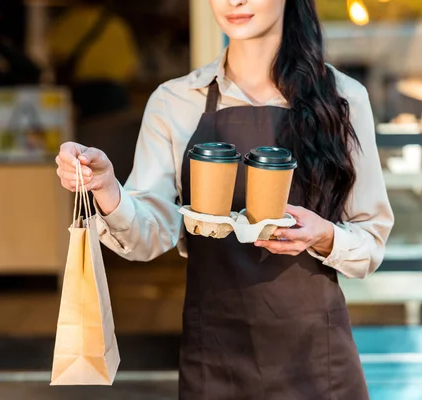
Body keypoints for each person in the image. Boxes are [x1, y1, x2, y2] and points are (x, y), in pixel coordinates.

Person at [56, 0, 394, 398]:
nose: (235, 1)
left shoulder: (341, 99)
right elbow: (149, 237)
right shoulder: (175, 101)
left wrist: (323, 236)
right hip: (214, 358)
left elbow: (370, 242)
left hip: (318, 362)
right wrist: (108, 189)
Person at [48, 0, 140, 119]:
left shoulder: (67, 22)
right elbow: (130, 67)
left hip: (81, 92)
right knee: (112, 132)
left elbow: (56, 55)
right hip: (113, 93)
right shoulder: (117, 25)